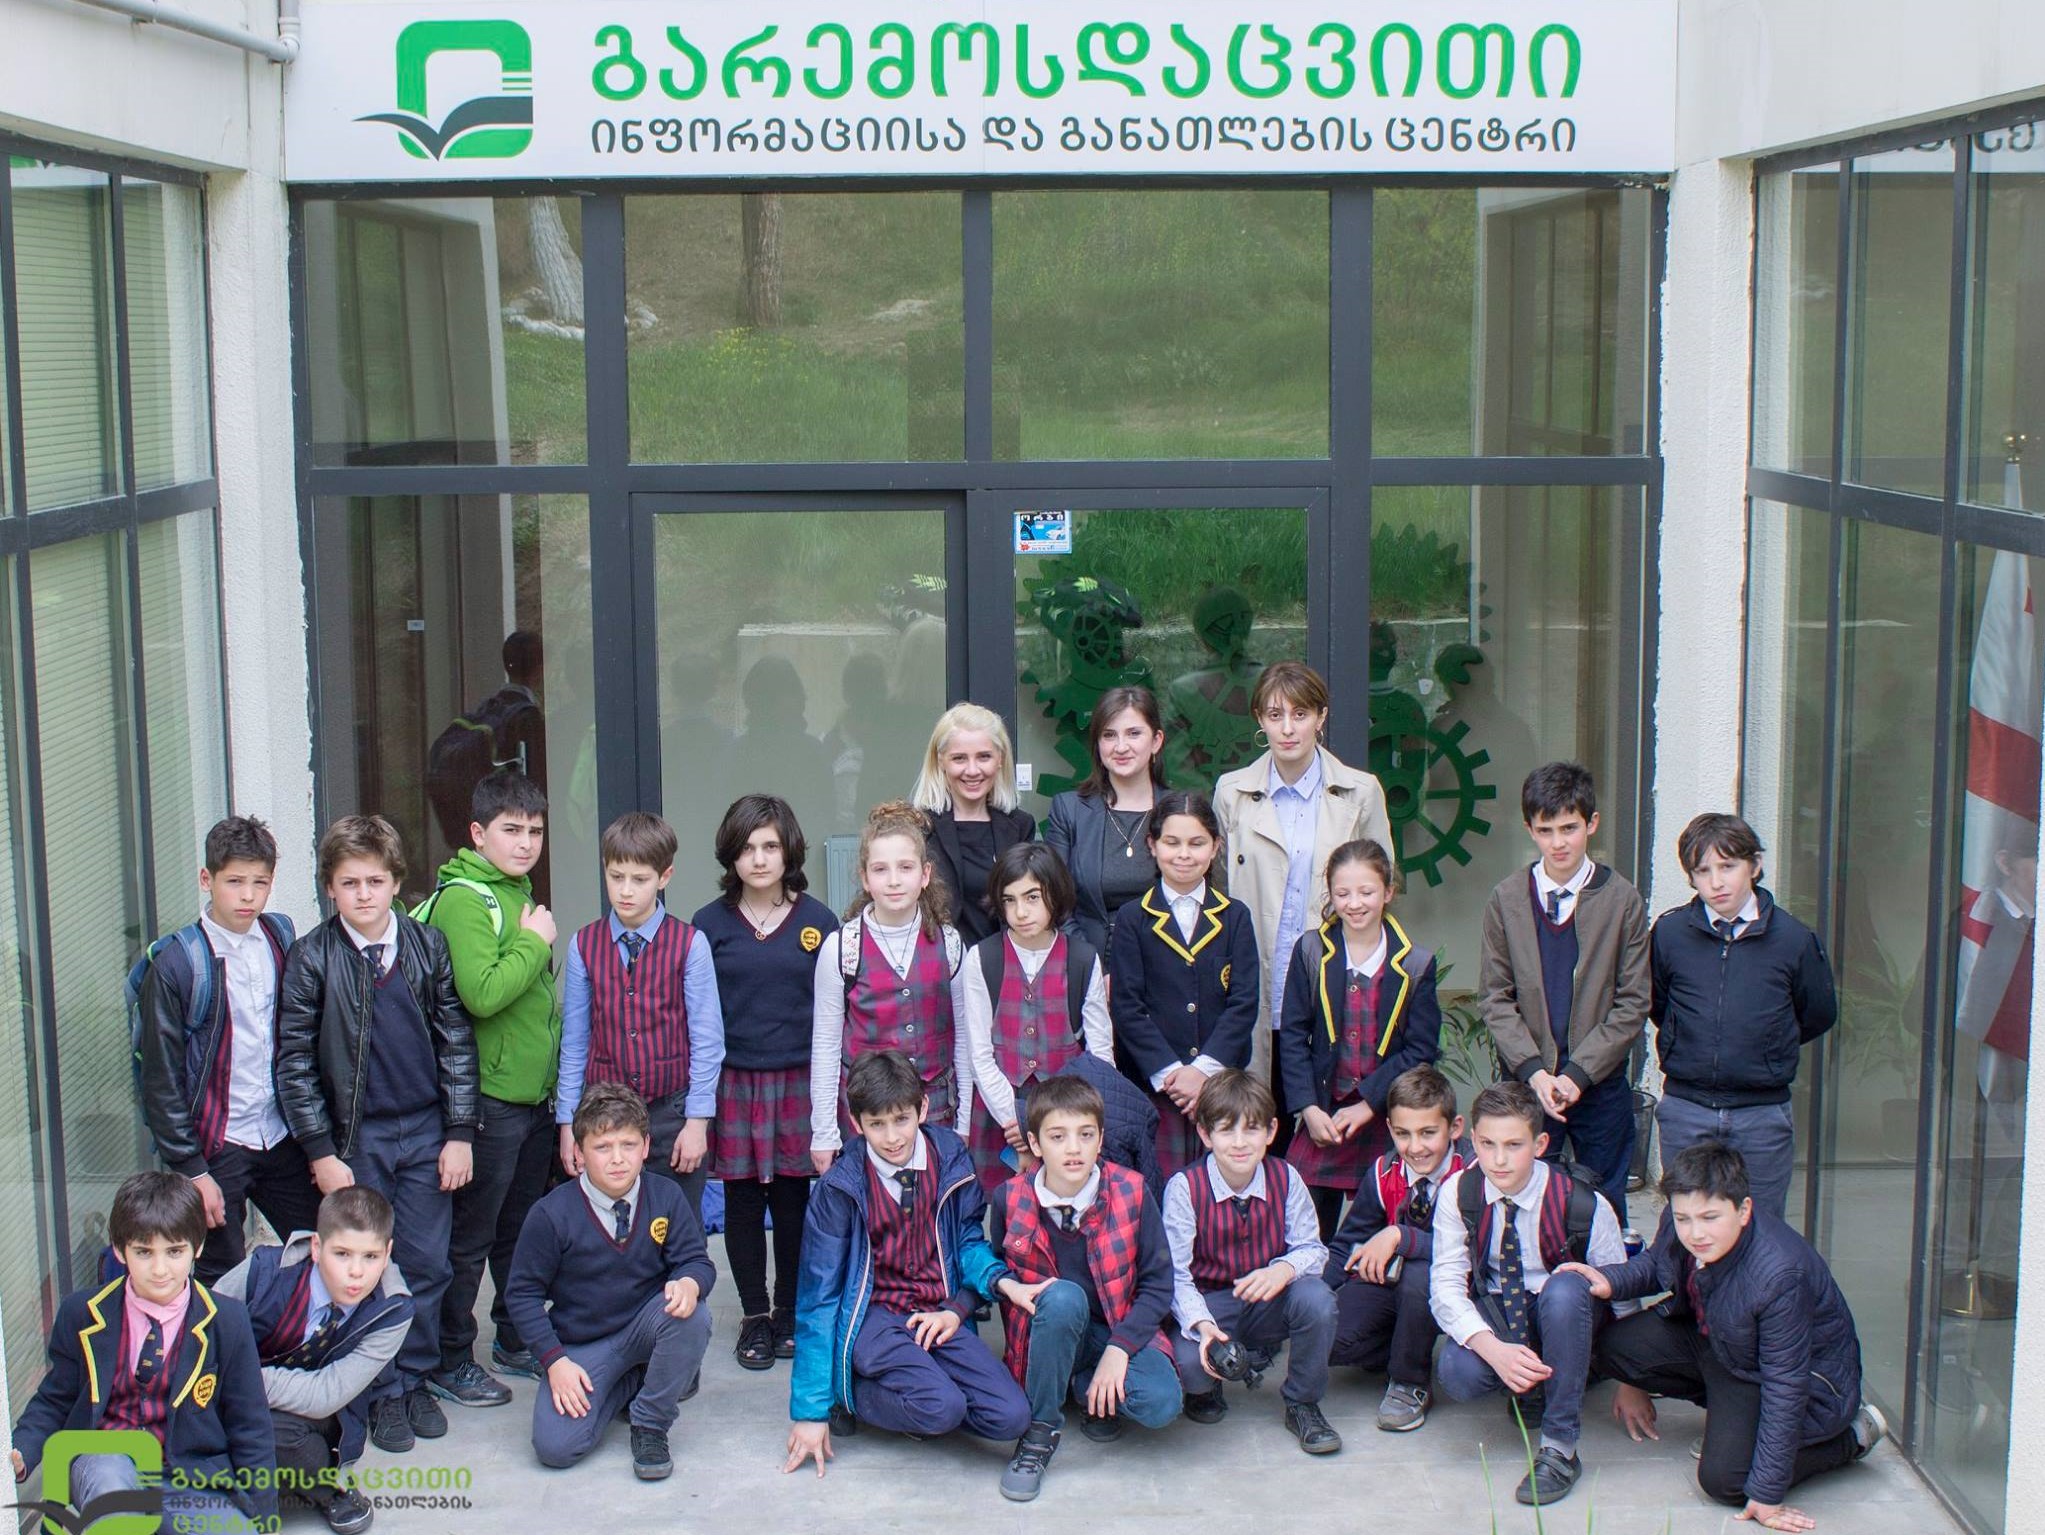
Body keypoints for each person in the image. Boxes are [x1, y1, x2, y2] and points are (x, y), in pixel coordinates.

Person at [275, 813, 478, 1454]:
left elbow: (455, 1042)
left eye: (374, 881)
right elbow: (294, 1063)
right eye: (348, 883)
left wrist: (459, 1131)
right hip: (356, 1138)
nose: (363, 894)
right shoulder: (313, 957)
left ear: (396, 882)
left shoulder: (426, 946)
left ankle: (414, 1379)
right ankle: (381, 1391)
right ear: (329, 889)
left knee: (426, 1262)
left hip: (425, 1130)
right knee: (361, 1266)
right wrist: (321, 1151)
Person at [1563, 1143, 1889, 1532]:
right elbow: (1657, 1264)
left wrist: (1768, 1492)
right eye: (1683, 1219)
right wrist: (1609, 1280)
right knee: (1612, 1345)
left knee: (1727, 1482)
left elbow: (1786, 1384)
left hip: (1795, 1381)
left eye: (1710, 1217)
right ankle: (1732, 1423)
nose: (1695, 1233)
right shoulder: (1683, 1219)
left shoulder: (1780, 1274)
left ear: (1744, 1210)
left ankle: (1853, 1436)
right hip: (1725, 1346)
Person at [783, 1050, 1029, 1475]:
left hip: (936, 1313)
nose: (892, 1137)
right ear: (856, 1123)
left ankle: (927, 1388)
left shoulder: (950, 1157)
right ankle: (849, 1393)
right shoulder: (838, 1189)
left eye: (901, 1119)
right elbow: (818, 1299)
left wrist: (972, 1300)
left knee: (1011, 1416)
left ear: (923, 1109)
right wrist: (811, 1410)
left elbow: (968, 1242)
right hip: (872, 1317)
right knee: (941, 1406)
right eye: (877, 1124)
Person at [10, 1173, 276, 1534]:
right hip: (104, 1462)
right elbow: (54, 1400)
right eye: (144, 1252)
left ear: (197, 1247)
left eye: (175, 1251)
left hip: (187, 1479)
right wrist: (21, 1453)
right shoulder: (81, 1312)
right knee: (115, 1499)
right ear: (120, 1250)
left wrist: (263, 1519)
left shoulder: (227, 1320)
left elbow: (250, 1426)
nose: (160, 1269)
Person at [418, 769, 561, 1410]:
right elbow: (481, 993)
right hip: (490, 1099)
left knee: (519, 1229)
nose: (526, 842)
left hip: (530, 1098)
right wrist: (533, 942)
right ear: (478, 834)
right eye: (511, 830)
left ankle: (513, 1336)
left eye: (535, 830)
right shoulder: (466, 900)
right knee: (471, 1237)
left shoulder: (514, 889)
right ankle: (450, 1357)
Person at [134, 813, 318, 1284]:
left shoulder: (280, 937)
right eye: (234, 882)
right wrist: (193, 1169)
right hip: (217, 1144)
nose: (248, 896)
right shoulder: (179, 963)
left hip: (279, 1134)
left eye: (260, 882)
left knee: (324, 1249)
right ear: (207, 879)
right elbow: (161, 1079)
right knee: (220, 1275)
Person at [1428, 1080, 1629, 1507]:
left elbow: (1622, 1287)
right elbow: (1445, 1285)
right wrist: (1493, 1351)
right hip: (1502, 1309)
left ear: (1539, 1145)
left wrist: (1634, 1383)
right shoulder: (1459, 1192)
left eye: (1513, 1145)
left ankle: (1560, 1448)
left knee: (1564, 1289)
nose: (1498, 1159)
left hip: (1566, 1313)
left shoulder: (1583, 1203)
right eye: (1487, 1144)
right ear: (1473, 1140)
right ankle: (1534, 1385)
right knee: (1459, 1374)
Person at [691, 795, 838, 1371]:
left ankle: (788, 1313)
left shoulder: (820, 922)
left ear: (788, 851)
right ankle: (754, 1315)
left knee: (795, 1200)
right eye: (748, 847)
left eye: (770, 846)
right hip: (735, 1081)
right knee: (743, 1201)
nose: (759, 859)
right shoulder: (708, 925)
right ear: (731, 854)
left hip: (800, 1078)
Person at [505, 1083, 715, 1482]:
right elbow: (522, 1295)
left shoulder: (666, 1195)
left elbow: (696, 1261)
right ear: (580, 1153)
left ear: (646, 1146)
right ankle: (630, 1380)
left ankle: (650, 1422)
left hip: (645, 1325)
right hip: (582, 1343)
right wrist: (554, 1362)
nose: (618, 1159)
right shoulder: (551, 1214)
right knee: (556, 1447)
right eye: (602, 1147)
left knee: (692, 1315)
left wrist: (689, 1282)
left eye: (628, 1145)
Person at [990, 1074, 1182, 1502]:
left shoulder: (1132, 1190)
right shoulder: (1009, 1198)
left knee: (1161, 1402)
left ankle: (1084, 1388)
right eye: (1058, 1136)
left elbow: (1158, 1284)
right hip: (1049, 1335)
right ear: (1035, 1143)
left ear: (1100, 1140)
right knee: (1063, 1296)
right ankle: (1040, 1430)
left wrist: (1119, 1349)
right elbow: (998, 1274)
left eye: (1085, 1134)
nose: (1073, 1148)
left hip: (1116, 1327)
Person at [1212, 660, 1394, 1109]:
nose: (1288, 729)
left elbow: (1380, 884)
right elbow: (1219, 888)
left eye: (1300, 714)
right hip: (1256, 975)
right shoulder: (1232, 792)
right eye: (1275, 715)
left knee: (1328, 1113)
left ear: (1321, 716)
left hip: (1333, 974)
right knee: (1258, 1111)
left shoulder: (1361, 791)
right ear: (1260, 719)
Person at [1478, 762, 1651, 1220]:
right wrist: (1536, 1072)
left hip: (1599, 1085)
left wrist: (1578, 1074)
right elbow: (1495, 996)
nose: (1558, 843)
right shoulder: (1507, 899)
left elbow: (1633, 1001)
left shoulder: (1622, 900)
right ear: (1529, 830)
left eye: (1569, 828)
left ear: (1591, 824)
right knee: (1526, 1206)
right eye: (1546, 830)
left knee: (1603, 1208)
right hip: (1528, 1085)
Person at [1650, 813, 1837, 1219]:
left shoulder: (1794, 939)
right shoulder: (1669, 933)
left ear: (1754, 866)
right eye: (1703, 871)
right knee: (1688, 1225)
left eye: (1728, 866)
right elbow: (1659, 1003)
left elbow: (1817, 1013)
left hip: (1761, 1114)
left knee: (1761, 1227)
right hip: (1688, 1107)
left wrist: (1767, 1047)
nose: (1716, 882)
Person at [213, 1186, 415, 1535]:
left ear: (387, 1254)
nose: (356, 1271)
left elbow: (325, 1394)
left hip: (314, 1421)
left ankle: (328, 1489)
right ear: (317, 1247)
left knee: (273, 1432)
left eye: (370, 1256)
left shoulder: (392, 1309)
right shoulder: (263, 1270)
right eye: (342, 1254)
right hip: (225, 1395)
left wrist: (238, 1384)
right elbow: (204, 1331)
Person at [1162, 1068, 1339, 1454]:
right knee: (1189, 1368)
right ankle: (1208, 1385)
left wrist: (1284, 1269)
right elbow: (1175, 1275)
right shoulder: (1184, 1187)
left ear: (1271, 1131)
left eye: (1252, 1129)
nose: (1240, 1143)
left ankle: (1303, 1402)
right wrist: (1204, 1326)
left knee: (1316, 1298)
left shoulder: (1286, 1177)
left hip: (1268, 1301)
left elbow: (1314, 1249)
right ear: (1205, 1134)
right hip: (1211, 1303)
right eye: (1227, 1130)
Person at [559, 812, 725, 1220]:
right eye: (616, 877)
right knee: (608, 1228)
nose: (626, 890)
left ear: (664, 876)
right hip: (603, 1116)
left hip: (672, 1113)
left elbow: (707, 1040)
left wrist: (697, 1122)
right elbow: (575, 1041)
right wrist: (566, 1122)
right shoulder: (583, 945)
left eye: (640, 879)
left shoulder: (690, 944)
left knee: (678, 1227)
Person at [1277, 838, 1444, 1237]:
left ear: (1388, 892)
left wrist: (1369, 1104)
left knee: (1384, 1229)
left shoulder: (1415, 963)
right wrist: (1308, 1109)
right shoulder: (1311, 951)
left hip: (1385, 1114)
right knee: (1304, 1229)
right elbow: (1294, 1035)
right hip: (1324, 1112)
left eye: (1366, 892)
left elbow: (1420, 1050)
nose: (1354, 904)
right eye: (1342, 894)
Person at [808, 801, 971, 1169]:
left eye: (906, 868)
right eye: (881, 870)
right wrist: (824, 1132)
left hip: (936, 1108)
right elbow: (826, 1044)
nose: (894, 880)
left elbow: (964, 1036)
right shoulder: (842, 947)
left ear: (925, 875)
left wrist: (965, 1121)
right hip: (868, 1114)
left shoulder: (949, 943)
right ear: (865, 879)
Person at [1108, 790, 1260, 1180]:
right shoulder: (1132, 918)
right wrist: (1173, 1076)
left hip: (1220, 1085)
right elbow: (1127, 1007)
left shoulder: (1235, 917)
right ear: (1152, 845)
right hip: (1156, 1089)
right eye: (1172, 842)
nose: (1184, 854)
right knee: (1160, 1189)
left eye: (1197, 843)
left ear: (1216, 847)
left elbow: (1243, 1003)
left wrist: (1203, 1072)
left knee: (1219, 1189)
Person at [1324, 1064, 1469, 1434]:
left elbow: (1475, 1250)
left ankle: (1409, 1381)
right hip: (1392, 1285)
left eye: (1428, 1133)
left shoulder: (1472, 1176)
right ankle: (1404, 1343)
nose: (1415, 1147)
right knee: (1325, 1337)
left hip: (1459, 1286)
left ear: (1454, 1128)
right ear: (1389, 1128)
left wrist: (1401, 1237)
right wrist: (1315, 1296)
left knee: (1420, 1273)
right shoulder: (1383, 1171)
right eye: (1403, 1134)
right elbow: (1347, 1243)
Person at [963, 841, 1114, 1192]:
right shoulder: (983, 959)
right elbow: (980, 1055)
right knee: (1004, 1208)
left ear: (1054, 893)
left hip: (1069, 1117)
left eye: (1032, 897)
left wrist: (1068, 1121)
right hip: (1000, 1117)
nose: (1021, 912)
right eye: (1009, 900)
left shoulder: (1082, 958)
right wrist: (1014, 1119)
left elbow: (1101, 1055)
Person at [1042, 686, 1169, 957]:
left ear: (1156, 740)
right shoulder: (1069, 810)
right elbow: (1055, 900)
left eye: (1133, 733)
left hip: (1165, 958)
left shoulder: (1178, 811)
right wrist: (1092, 967)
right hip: (1088, 962)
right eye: (1109, 735)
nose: (1121, 747)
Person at [912, 702, 1038, 946]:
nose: (972, 770)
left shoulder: (1020, 827)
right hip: (936, 962)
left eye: (984, 757)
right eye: (959, 758)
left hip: (1002, 962)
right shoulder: (919, 828)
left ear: (1000, 759)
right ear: (941, 761)